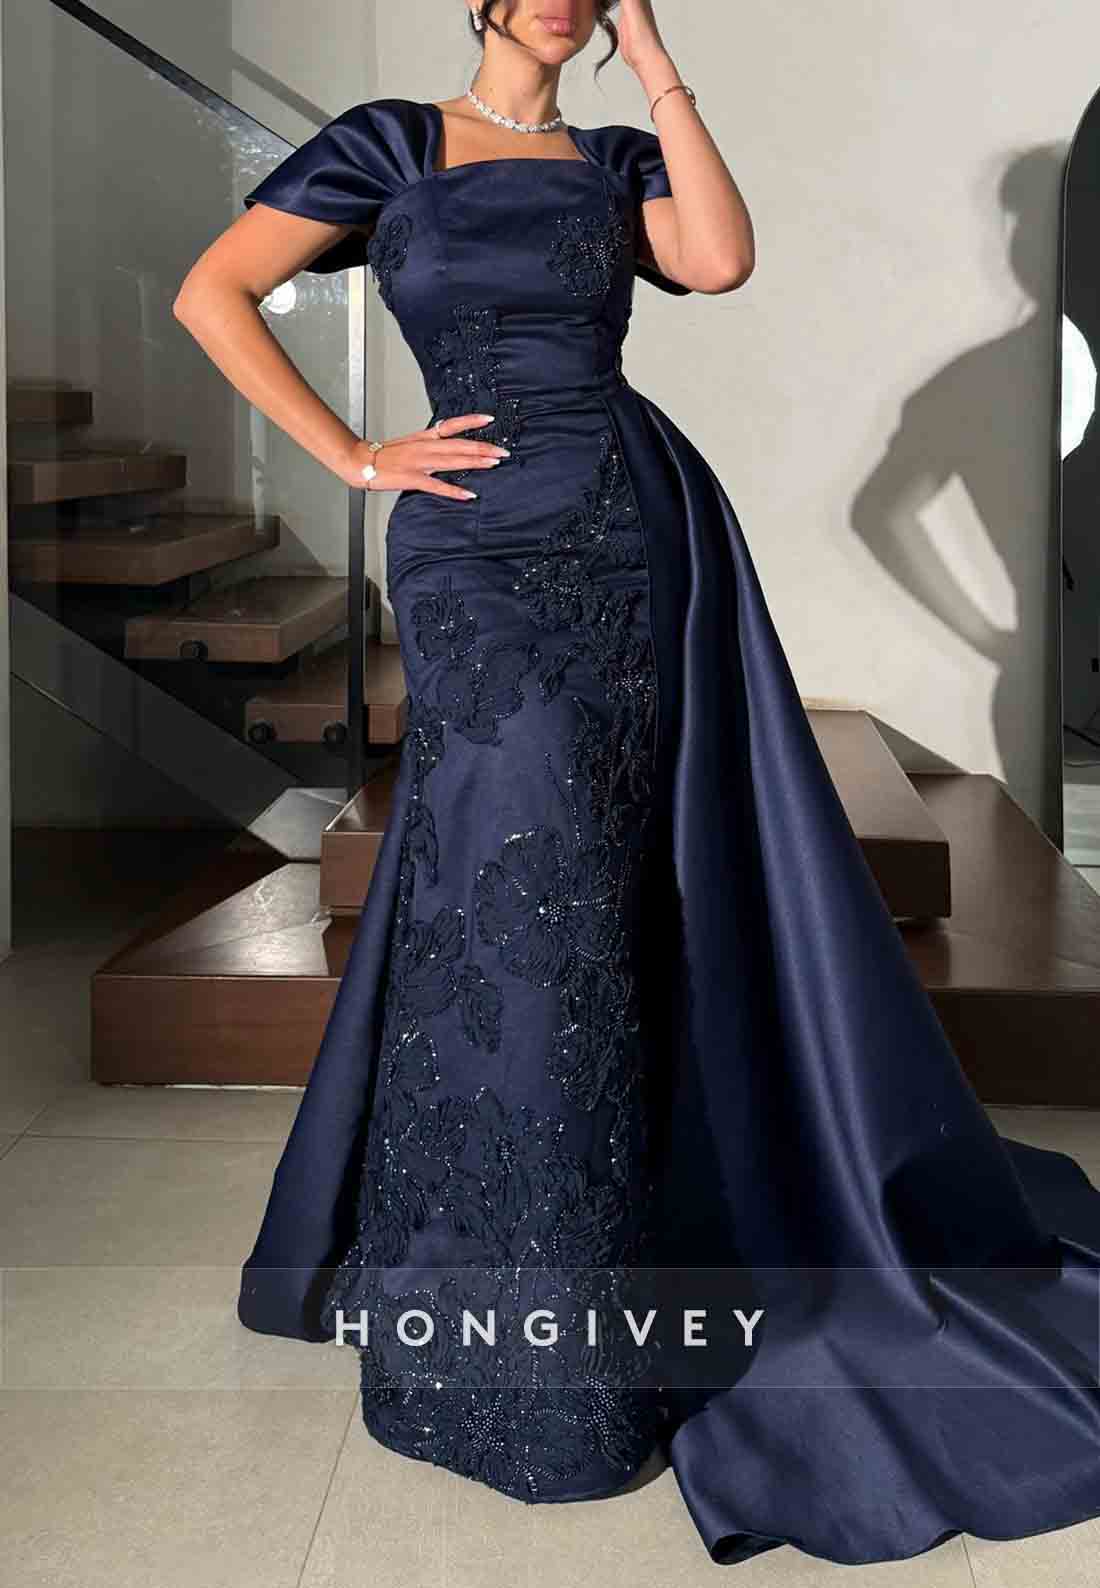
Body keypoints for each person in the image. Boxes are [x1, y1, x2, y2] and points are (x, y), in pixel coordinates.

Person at [173, 0, 1100, 1568]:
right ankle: (486, 1277)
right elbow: (214, 290)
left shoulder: (616, 158)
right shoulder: (389, 145)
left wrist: (659, 66)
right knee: (504, 882)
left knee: (590, 889)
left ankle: (598, 1270)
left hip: (626, 528)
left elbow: (721, 262)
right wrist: (352, 455)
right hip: (472, 544)